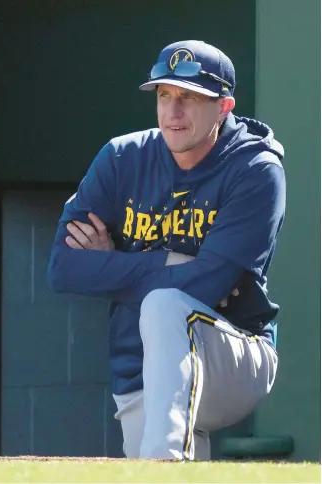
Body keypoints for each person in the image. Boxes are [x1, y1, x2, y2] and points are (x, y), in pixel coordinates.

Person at [47, 40, 286, 461]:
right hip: (138, 367)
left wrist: (111, 263)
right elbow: (63, 268)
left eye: (190, 98)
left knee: (163, 305)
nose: (173, 113)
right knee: (162, 300)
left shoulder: (255, 169)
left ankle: (165, 465)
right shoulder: (121, 158)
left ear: (224, 106)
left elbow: (210, 285)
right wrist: (169, 261)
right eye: (165, 95)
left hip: (234, 354)